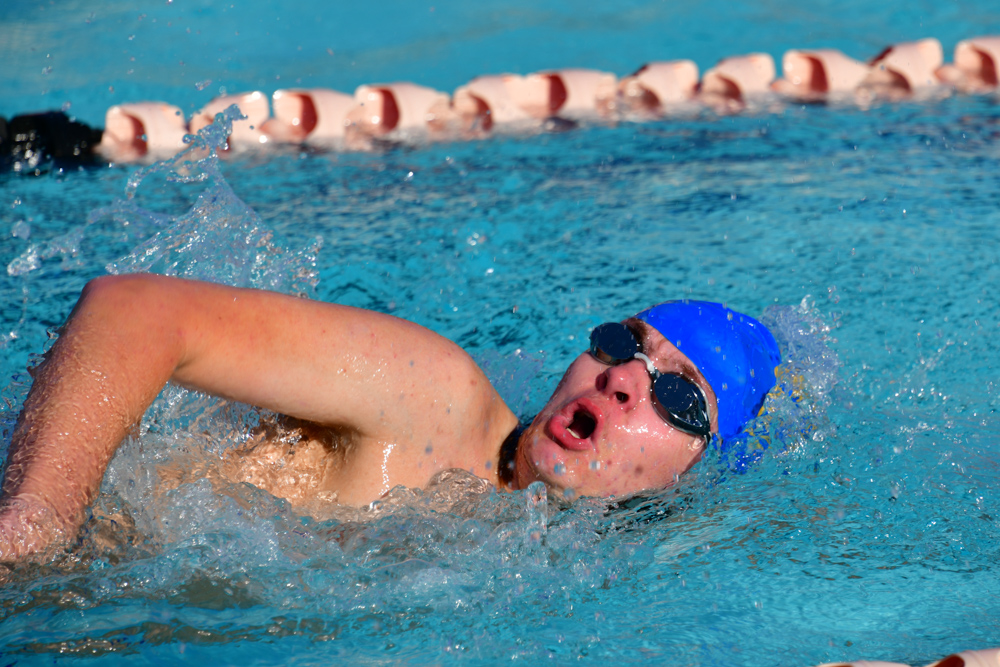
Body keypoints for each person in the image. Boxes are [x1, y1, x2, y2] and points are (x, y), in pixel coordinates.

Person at [0, 273, 780, 561]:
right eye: (623, 343)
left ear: (695, 479)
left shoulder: (547, 576)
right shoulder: (435, 399)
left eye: (680, 397)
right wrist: (40, 517)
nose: (623, 378)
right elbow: (133, 310)